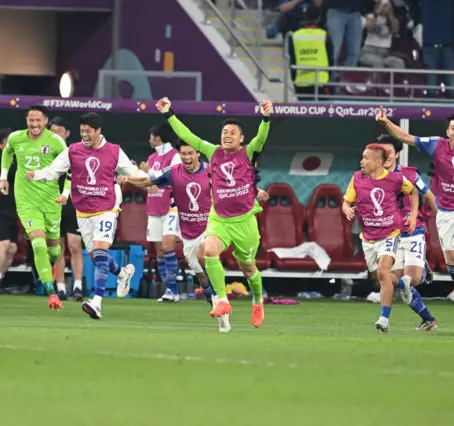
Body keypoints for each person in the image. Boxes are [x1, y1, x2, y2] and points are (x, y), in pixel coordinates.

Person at [158, 97, 272, 328]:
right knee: (209, 250)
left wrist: (266, 117)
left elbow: (261, 137)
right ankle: (221, 300)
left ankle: (258, 301)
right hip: (219, 219)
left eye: (232, 132)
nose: (227, 135)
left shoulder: (249, 153)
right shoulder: (213, 153)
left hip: (244, 222)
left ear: (241, 138)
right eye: (224, 132)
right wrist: (168, 114)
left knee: (248, 268)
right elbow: (188, 136)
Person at [27, 112, 143, 320]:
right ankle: (123, 273)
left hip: (107, 208)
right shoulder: (73, 151)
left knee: (99, 254)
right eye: (82, 132)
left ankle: (96, 302)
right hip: (83, 211)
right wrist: (36, 175)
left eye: (88, 132)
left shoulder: (114, 151)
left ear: (99, 131)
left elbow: (132, 171)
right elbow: (54, 171)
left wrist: (151, 181)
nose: (85, 135)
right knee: (96, 257)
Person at [376, 110, 454, 309]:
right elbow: (404, 137)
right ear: (447, 132)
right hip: (446, 210)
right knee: (450, 258)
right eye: (453, 128)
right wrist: (386, 122)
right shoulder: (436, 145)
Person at [0, 105, 69, 310]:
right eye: (31, 120)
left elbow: (70, 169)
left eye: (38, 120)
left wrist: (65, 194)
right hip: (26, 200)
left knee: (54, 250)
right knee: (38, 244)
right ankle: (51, 293)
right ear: (26, 120)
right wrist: (3, 177)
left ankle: (52, 267)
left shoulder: (56, 142)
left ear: (45, 121)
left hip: (51, 201)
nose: (35, 124)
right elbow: (7, 153)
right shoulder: (15, 138)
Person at [342, 143, 417, 332]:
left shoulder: (396, 179)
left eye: (365, 158)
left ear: (378, 162)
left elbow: (414, 191)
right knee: (378, 275)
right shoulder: (357, 178)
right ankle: (402, 283)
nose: (361, 161)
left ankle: (384, 319)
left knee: (383, 271)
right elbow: (346, 202)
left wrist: (414, 214)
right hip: (368, 237)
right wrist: (346, 210)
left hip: (390, 233)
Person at [377, 135, 438, 332]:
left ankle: (420, 264)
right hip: (391, 236)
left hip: (413, 231)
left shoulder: (410, 175)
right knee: (398, 283)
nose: (386, 156)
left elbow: (429, 196)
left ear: (396, 154)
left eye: (389, 151)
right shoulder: (372, 179)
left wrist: (441, 224)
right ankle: (429, 320)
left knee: (414, 280)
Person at [139, 123, 181, 303]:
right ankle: (168, 290)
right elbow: (148, 183)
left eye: (151, 136)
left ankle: (173, 289)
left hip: (171, 205)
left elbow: (174, 178)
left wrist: (149, 172)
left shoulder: (176, 156)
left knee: (167, 246)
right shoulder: (151, 157)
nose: (149, 140)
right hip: (154, 205)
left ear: (157, 137)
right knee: (159, 251)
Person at [48, 116, 84, 302]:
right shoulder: (44, 152)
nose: (56, 135)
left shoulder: (75, 152)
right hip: (52, 203)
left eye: (60, 131)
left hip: (72, 202)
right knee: (57, 248)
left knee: (75, 245)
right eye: (53, 131)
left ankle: (78, 286)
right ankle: (60, 288)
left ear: (68, 133)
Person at [0, 128, 17, 284]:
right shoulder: (2, 162)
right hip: (1, 210)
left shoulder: (18, 161)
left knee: (12, 249)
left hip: (13, 210)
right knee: (4, 244)